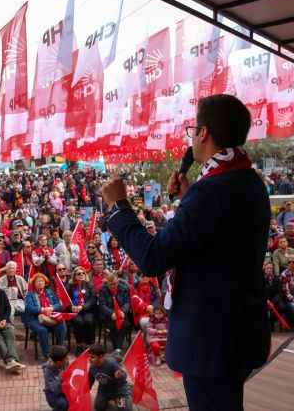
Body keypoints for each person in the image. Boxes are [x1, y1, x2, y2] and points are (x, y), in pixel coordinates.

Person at [102, 94, 270, 411]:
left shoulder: (212, 191)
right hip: (237, 331)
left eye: (194, 129)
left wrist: (118, 208)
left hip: (212, 341)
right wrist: (190, 195)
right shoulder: (248, 180)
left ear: (203, 133)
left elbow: (153, 258)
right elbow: (220, 236)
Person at [23, 273, 66, 359]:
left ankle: (59, 350)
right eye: (38, 281)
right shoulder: (30, 295)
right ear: (34, 284)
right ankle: (47, 353)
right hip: (34, 319)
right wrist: (42, 309)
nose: (40, 283)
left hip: (50, 317)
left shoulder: (49, 292)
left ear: (45, 283)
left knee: (61, 324)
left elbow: (59, 304)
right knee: (43, 330)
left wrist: (52, 308)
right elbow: (29, 308)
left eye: (42, 281)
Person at [88, 344, 132, 411]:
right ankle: (110, 399)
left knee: (125, 409)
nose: (89, 359)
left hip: (118, 390)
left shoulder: (112, 364)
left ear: (100, 356)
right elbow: (90, 381)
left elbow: (124, 377)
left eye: (92, 357)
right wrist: (84, 392)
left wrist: (119, 376)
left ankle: (128, 390)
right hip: (104, 390)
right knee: (98, 407)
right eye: (89, 357)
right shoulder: (92, 367)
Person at [66, 266, 96, 354]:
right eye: (79, 274)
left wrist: (83, 307)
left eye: (83, 273)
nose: (81, 275)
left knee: (89, 321)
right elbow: (66, 300)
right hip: (75, 311)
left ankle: (90, 344)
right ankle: (79, 345)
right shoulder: (70, 286)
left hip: (87, 310)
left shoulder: (89, 285)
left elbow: (93, 299)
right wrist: (71, 307)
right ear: (74, 276)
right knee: (79, 322)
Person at [98, 273, 130, 351]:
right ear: (107, 283)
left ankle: (118, 348)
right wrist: (111, 313)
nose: (113, 286)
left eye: (115, 284)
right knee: (112, 325)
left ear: (118, 282)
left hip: (121, 314)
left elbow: (127, 303)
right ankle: (116, 347)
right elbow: (102, 305)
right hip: (109, 315)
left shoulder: (123, 289)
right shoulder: (103, 290)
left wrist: (123, 311)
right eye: (111, 284)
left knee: (123, 324)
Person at [42, 345, 69, 411]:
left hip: (64, 389)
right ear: (59, 362)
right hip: (52, 394)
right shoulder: (48, 371)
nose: (68, 359)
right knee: (63, 404)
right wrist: (60, 378)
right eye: (66, 358)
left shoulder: (65, 362)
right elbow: (55, 390)